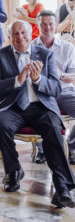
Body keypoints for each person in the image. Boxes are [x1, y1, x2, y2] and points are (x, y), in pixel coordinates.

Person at [0, 20, 75, 207]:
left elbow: (55, 88)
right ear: (9, 37)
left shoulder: (45, 54)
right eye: (15, 34)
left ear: (30, 34)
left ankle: (61, 187)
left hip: (41, 107)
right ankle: (13, 171)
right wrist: (17, 80)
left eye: (23, 33)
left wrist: (38, 80)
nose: (19, 37)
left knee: (53, 127)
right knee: (0, 124)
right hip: (13, 108)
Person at [37, 10, 75, 163]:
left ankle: (70, 146)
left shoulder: (67, 48)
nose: (47, 28)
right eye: (44, 24)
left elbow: (73, 76)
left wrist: (59, 75)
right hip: (41, 92)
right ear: (38, 25)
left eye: (51, 24)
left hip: (64, 90)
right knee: (36, 110)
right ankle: (42, 150)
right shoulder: (31, 46)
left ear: (56, 26)